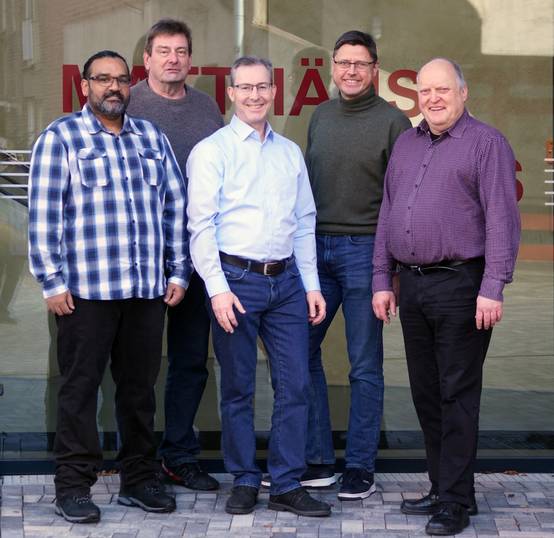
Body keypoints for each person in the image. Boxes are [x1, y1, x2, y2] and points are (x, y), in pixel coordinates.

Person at [28, 50, 190, 523]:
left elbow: (175, 207)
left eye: (120, 79)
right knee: (79, 391)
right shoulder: (61, 138)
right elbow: (43, 216)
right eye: (102, 79)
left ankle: (138, 479)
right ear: (85, 86)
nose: (113, 87)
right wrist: (51, 281)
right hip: (85, 294)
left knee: (139, 392)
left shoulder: (151, 138)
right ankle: (73, 487)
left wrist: (178, 271)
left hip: (145, 292)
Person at [372, 58, 520, 535]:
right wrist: (382, 277)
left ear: (463, 92)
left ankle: (454, 501)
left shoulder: (486, 143)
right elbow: (388, 211)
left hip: (461, 284)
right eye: (425, 91)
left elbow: (502, 219)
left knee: (456, 393)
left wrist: (493, 286)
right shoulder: (407, 144)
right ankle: (445, 488)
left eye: (443, 90)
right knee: (427, 392)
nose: (433, 99)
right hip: (413, 286)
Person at [187, 56, 331, 517]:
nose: (255, 95)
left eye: (263, 87)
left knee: (296, 385)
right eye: (245, 87)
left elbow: (304, 222)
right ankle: (245, 479)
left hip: (286, 283)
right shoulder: (212, 151)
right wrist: (216, 289)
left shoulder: (289, 153)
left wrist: (311, 285)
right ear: (231, 93)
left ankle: (286, 483)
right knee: (238, 388)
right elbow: (200, 226)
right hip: (236, 282)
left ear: (273, 91)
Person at [301, 30, 411, 499]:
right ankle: (318, 459)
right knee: (299, 352)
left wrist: (391, 269)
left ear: (374, 70)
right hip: (316, 251)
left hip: (367, 252)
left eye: (360, 63)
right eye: (343, 62)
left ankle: (360, 465)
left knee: (364, 364)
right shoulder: (321, 116)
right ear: (333, 67)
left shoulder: (394, 122)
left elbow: (401, 201)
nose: (350, 71)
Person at [127, 18, 223, 492]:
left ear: (190, 59)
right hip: (140, 259)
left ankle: (178, 456)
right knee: (137, 367)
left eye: (181, 51)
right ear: (146, 59)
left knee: (189, 362)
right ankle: (137, 462)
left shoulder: (207, 108)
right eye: (163, 51)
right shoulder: (127, 105)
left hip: (196, 257)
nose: (173, 59)